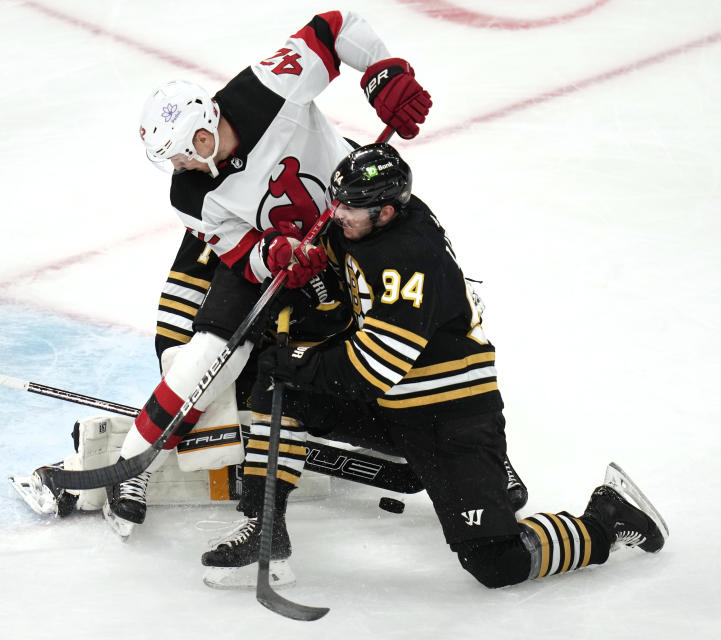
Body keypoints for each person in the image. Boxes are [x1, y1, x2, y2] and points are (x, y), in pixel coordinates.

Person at [200, 143, 668, 589]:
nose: (336, 213)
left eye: (349, 208)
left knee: (495, 562)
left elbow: (371, 368)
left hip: (452, 415)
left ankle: (607, 518)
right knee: (274, 381)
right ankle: (265, 529)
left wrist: (299, 358)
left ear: (385, 212)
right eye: (336, 201)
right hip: (396, 405)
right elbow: (333, 247)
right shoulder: (372, 216)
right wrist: (299, 261)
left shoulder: (407, 259)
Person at [104, 9, 435, 535]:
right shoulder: (189, 194)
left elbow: (337, 24)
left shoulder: (267, 86)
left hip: (354, 213)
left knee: (423, 293)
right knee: (208, 357)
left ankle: (473, 438)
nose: (178, 167)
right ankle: (131, 468)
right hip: (283, 248)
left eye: (181, 155)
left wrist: (383, 71)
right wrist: (272, 255)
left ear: (203, 133)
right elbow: (236, 249)